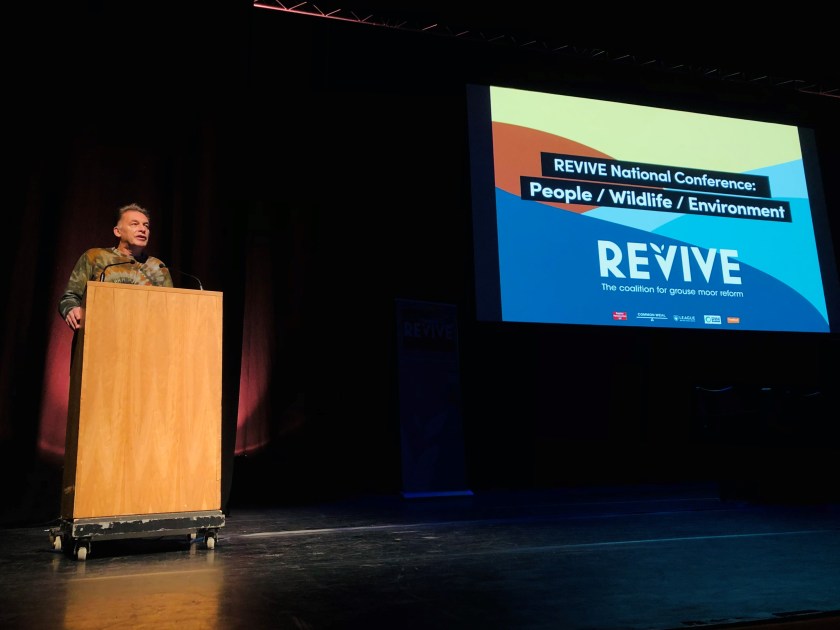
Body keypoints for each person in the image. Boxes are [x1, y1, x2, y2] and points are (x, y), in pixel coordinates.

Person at [59, 203, 173, 331]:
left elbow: (170, 308)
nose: (143, 229)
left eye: (146, 225)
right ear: (117, 231)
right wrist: (71, 309)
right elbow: (70, 298)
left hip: (146, 335)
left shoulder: (158, 267)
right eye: (134, 224)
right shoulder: (95, 257)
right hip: (100, 332)